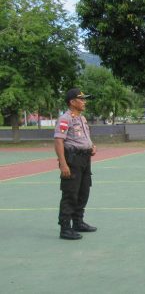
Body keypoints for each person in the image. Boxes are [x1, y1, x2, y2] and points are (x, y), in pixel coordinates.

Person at [54, 88, 97, 240]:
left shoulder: (82, 118)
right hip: (72, 160)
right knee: (70, 193)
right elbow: (59, 140)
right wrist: (63, 164)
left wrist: (91, 146)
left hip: (85, 159)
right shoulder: (65, 119)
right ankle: (65, 228)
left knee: (83, 191)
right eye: (81, 99)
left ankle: (78, 222)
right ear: (72, 102)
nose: (84, 102)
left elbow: (82, 138)